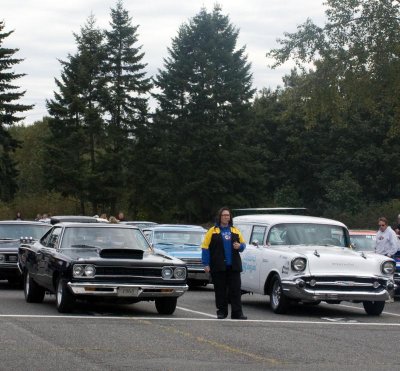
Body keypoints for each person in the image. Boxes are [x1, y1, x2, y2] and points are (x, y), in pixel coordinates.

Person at [201, 207, 247, 320]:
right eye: (224, 215)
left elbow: (243, 245)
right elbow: (205, 248)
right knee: (220, 290)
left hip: (234, 266)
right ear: (220, 217)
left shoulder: (235, 230)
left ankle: (237, 313)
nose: (226, 217)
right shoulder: (212, 231)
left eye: (228, 215)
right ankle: (221, 312)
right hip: (218, 266)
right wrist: (206, 264)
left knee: (236, 290)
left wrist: (239, 246)